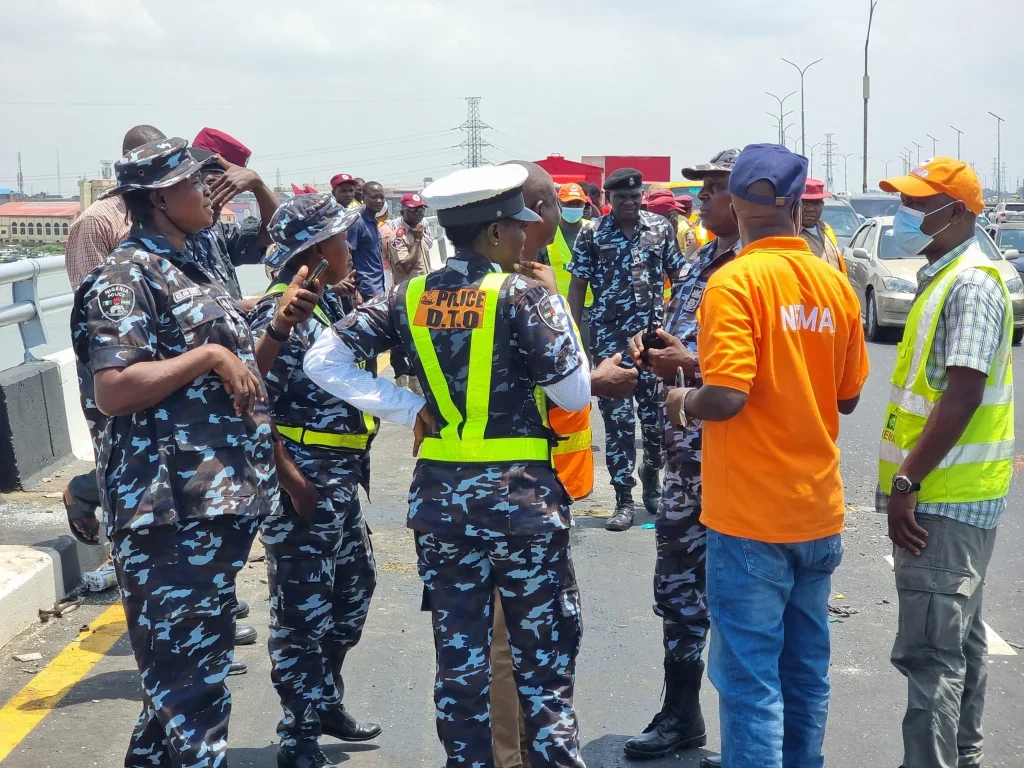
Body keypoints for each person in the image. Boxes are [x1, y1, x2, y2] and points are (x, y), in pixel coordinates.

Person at [304, 164, 590, 768]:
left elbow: (323, 359)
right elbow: (573, 395)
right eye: (518, 224)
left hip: (440, 504)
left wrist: (411, 405)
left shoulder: (410, 295)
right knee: (542, 661)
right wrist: (559, 308)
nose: (526, 234)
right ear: (492, 232)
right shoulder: (525, 295)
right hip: (522, 504)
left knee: (459, 658)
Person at [70, 137, 278, 768]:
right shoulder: (125, 277)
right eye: (197, 184)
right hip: (167, 512)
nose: (209, 193)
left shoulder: (192, 265)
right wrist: (209, 356)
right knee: (192, 693)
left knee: (177, 688)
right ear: (161, 197)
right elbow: (113, 388)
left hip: (211, 504)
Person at [666, 144, 869, 768]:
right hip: (816, 511)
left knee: (750, 682)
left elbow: (726, 397)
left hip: (750, 517)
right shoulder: (834, 283)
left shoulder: (735, 281)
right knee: (806, 673)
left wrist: (681, 399)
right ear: (792, 202)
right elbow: (850, 393)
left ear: (738, 201)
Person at [874, 158, 1012, 768]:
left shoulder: (972, 284)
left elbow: (962, 394)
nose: (906, 214)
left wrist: (908, 480)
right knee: (959, 642)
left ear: (957, 212)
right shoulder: (945, 276)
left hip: (944, 499)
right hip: (952, 493)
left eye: (918, 202)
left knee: (933, 657)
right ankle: (964, 756)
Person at [250, 194, 381, 768]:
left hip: (340, 481)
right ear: (314, 252)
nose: (349, 247)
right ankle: (297, 732)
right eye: (339, 239)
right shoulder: (278, 316)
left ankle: (324, 699)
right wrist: (290, 479)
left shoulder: (325, 306)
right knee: (302, 613)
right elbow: (251, 404)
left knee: (354, 594)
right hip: (303, 482)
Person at [622, 148, 742, 763]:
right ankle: (681, 715)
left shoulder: (758, 269)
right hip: (685, 460)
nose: (703, 196)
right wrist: (658, 350)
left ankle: (750, 739)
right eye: (702, 186)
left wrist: (688, 364)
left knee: (746, 598)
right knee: (676, 589)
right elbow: (690, 344)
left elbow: (766, 371)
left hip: (739, 460)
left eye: (716, 186)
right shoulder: (700, 263)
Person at [567, 168, 686, 530]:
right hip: (610, 344)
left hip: (653, 343)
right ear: (608, 199)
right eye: (621, 198)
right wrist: (574, 339)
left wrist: (679, 328)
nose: (630, 203)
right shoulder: (592, 234)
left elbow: (679, 277)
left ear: (642, 196)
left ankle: (652, 477)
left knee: (655, 422)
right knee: (617, 424)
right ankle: (623, 499)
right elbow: (577, 286)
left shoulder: (660, 228)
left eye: (635, 197)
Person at [188, 126, 279, 305]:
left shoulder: (216, 231)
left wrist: (258, 186)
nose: (220, 199)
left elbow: (278, 230)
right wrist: (240, 308)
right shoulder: (165, 241)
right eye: (213, 185)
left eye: (229, 191)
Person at [386, 192, 433, 394]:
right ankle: (401, 377)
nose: (418, 213)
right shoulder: (399, 237)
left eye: (421, 209)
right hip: (407, 293)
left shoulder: (420, 232)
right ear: (403, 210)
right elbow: (404, 266)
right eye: (413, 210)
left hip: (423, 292)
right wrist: (416, 241)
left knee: (421, 337)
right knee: (403, 337)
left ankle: (415, 375)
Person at [346, 181, 387, 301]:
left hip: (378, 285)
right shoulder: (357, 222)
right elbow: (347, 257)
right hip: (365, 289)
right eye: (374, 197)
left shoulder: (374, 222)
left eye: (382, 197)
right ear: (363, 198)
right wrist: (354, 291)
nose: (379, 201)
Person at [799, 178, 846, 272]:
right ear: (796, 204)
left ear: (822, 205)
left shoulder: (827, 230)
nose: (810, 209)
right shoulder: (790, 235)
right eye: (805, 203)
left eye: (815, 203)